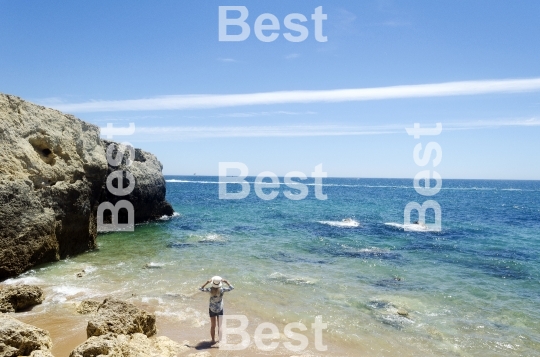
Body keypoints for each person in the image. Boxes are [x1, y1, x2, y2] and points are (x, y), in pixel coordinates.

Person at [199, 276, 234, 344]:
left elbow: (200, 288)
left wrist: (206, 282)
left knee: (213, 326)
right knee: (220, 326)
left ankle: (213, 340)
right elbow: (231, 288)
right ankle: (220, 341)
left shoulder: (209, 289)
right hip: (219, 309)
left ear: (212, 283)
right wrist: (226, 282)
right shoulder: (222, 290)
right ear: (219, 283)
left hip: (212, 309)